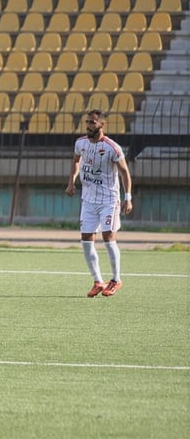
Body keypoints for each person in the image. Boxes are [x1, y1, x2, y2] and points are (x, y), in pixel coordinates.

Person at [66, 108, 134, 297]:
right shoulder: (80, 143)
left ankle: (116, 279)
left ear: (102, 125)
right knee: (86, 240)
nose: (88, 126)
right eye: (87, 122)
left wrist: (128, 198)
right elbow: (76, 161)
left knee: (108, 237)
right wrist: (71, 181)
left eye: (92, 122)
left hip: (109, 200)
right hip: (88, 200)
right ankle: (98, 281)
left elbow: (124, 172)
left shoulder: (112, 148)